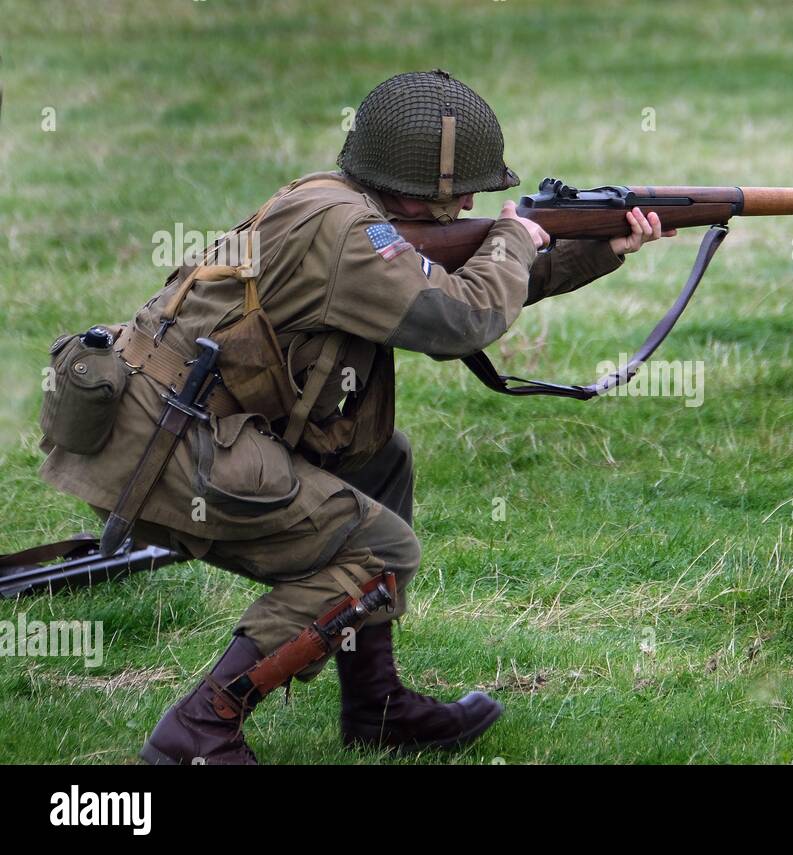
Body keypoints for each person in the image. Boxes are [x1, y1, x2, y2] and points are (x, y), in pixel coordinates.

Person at [39, 69, 673, 764]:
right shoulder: (349, 234)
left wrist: (592, 251)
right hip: (170, 445)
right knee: (382, 551)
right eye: (461, 188)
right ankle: (201, 726)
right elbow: (459, 318)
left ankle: (376, 705)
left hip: (174, 416)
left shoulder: (337, 201)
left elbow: (462, 284)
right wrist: (516, 239)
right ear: (416, 181)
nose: (471, 201)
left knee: (380, 458)